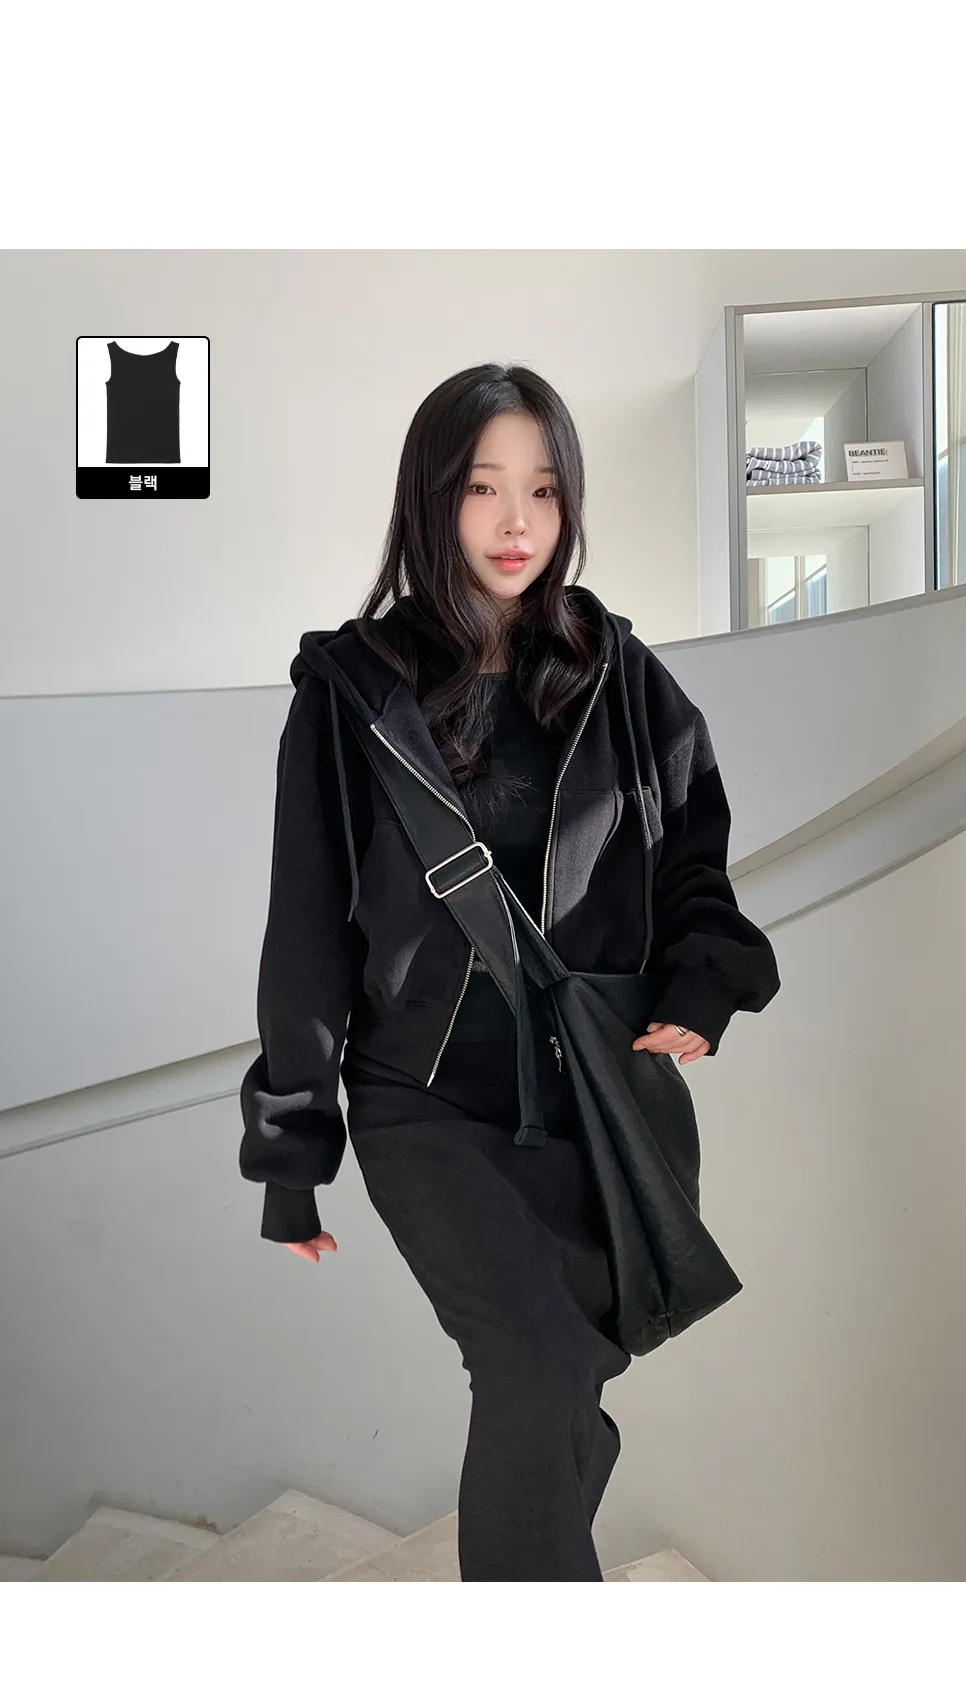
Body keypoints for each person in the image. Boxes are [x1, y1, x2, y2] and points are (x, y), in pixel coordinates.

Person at [239, 362, 779, 1579]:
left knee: (571, 1374)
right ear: (431, 500)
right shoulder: (350, 693)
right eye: (483, 488)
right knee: (536, 1366)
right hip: (421, 1101)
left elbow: (694, 854)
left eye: (542, 489)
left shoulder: (616, 671)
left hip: (589, 1096)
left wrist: (701, 991)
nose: (516, 521)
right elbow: (307, 930)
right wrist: (291, 1155)